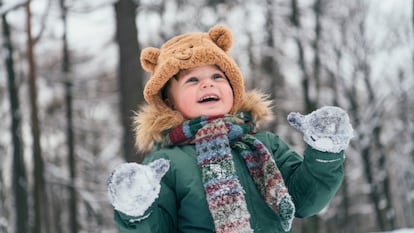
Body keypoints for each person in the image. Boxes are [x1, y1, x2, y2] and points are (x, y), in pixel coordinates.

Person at [107, 24, 354, 233]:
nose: (207, 84)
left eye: (217, 77)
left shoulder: (265, 144)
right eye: (192, 80)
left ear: (233, 89)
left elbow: (305, 200)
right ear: (170, 101)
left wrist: (324, 153)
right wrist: (137, 210)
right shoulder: (166, 162)